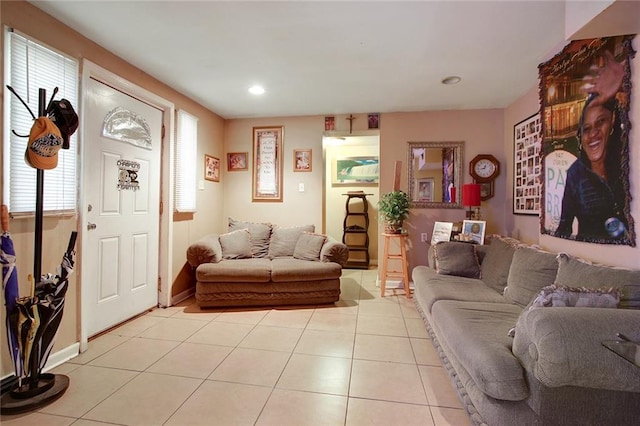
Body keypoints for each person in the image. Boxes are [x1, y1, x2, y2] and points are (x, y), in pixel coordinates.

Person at [555, 51, 628, 241]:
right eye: (586, 128)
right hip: (589, 252)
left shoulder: (626, 163)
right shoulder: (575, 174)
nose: (593, 133)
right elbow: (564, 226)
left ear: (612, 123)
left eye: (600, 122)